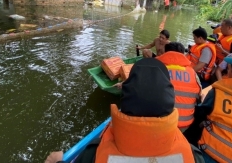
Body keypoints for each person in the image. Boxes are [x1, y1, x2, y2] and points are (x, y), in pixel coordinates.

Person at [45, 58, 204, 163]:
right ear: (169, 97)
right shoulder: (194, 156)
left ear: (127, 95)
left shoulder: (94, 152)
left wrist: (57, 161)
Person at [156, 42, 201, 131]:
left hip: (161, 122)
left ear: (166, 53)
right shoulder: (192, 73)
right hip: (185, 124)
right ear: (183, 55)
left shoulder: (157, 69)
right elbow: (198, 97)